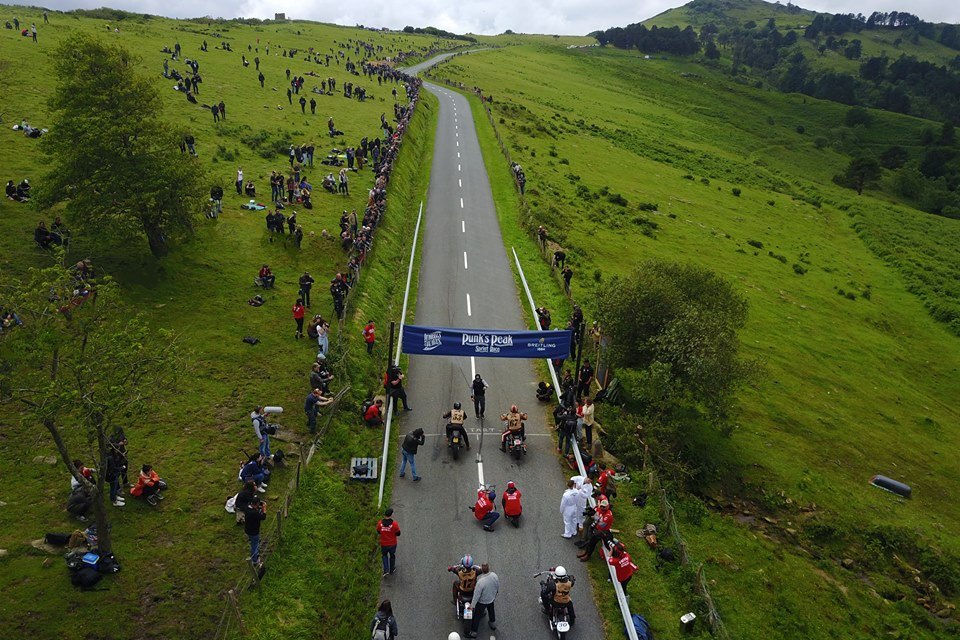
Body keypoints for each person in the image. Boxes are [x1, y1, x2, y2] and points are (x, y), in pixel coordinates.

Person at [467, 563, 499, 637]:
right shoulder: (494, 575)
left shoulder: (481, 582)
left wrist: (472, 606)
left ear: (482, 570)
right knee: (491, 610)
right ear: (488, 569)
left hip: (482, 601)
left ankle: (474, 631)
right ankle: (492, 623)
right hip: (491, 598)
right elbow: (497, 585)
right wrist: (495, 593)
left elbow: (476, 595)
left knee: (477, 615)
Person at [243, 495, 267, 565]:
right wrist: (264, 509)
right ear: (257, 504)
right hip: (254, 532)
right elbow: (263, 517)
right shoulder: (254, 513)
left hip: (248, 529)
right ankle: (255, 560)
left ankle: (255, 555)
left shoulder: (247, 508)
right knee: (255, 545)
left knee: (253, 543)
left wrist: (259, 508)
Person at [377, 509, 400, 576]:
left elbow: (378, 531)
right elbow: (398, 533)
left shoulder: (380, 523)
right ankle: (392, 569)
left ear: (385, 515)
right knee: (392, 556)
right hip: (392, 544)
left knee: (384, 555)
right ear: (391, 515)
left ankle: (386, 570)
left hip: (384, 544)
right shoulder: (394, 524)